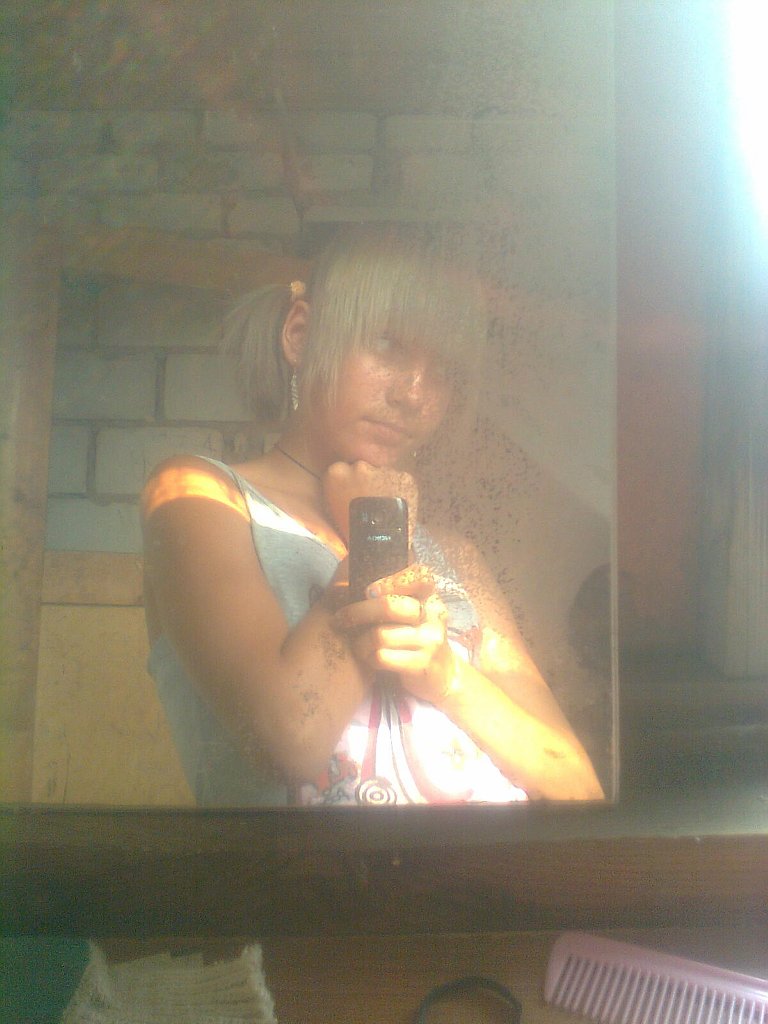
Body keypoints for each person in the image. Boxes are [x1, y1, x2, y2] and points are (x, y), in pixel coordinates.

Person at [141, 223, 604, 806]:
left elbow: (576, 783)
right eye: (387, 345)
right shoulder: (198, 496)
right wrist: (377, 531)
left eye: (445, 371)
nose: (415, 394)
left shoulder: (454, 554)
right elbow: (290, 741)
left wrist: (446, 676)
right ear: (300, 335)